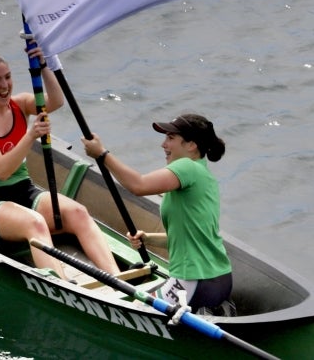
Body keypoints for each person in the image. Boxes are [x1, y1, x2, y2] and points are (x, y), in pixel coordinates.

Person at [0, 44, 120, 280]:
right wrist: (30, 135)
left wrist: (44, 65)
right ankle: (63, 286)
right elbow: (2, 170)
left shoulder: (21, 104)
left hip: (23, 191)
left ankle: (117, 280)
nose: (4, 86)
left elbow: (56, 101)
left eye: (8, 77)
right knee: (34, 223)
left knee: (78, 212)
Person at [81, 113, 233, 314]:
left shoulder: (187, 167)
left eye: (170, 138)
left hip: (194, 279)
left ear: (191, 146)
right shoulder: (203, 176)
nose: (163, 144)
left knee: (131, 311)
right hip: (220, 278)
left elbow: (138, 185)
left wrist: (102, 154)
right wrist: (149, 239)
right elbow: (191, 236)